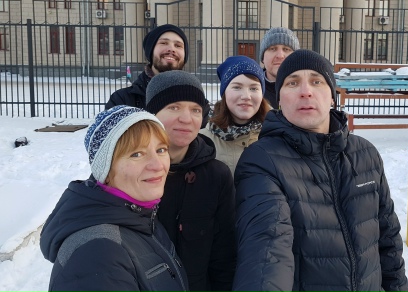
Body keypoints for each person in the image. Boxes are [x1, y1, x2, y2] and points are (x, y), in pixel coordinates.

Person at [233, 50, 408, 292]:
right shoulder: (262, 160)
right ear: (279, 99)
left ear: (332, 97)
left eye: (317, 81)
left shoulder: (365, 154)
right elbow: (266, 250)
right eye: (292, 82)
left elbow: (388, 243)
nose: (306, 91)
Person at [40, 105, 189, 292]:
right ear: (106, 169)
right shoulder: (97, 254)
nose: (158, 165)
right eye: (137, 154)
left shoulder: (139, 216)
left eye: (161, 150)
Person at [146, 70, 236, 292]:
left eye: (195, 109)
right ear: (152, 114)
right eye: (174, 107)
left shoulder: (216, 176)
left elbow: (224, 257)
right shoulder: (131, 173)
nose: (187, 119)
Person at [105, 23, 210, 126]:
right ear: (151, 51)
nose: (171, 49)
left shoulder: (198, 103)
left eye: (178, 45)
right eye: (164, 43)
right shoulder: (122, 101)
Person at [200, 55, 271, 173]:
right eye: (237, 87)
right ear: (225, 93)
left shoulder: (274, 136)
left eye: (253, 88)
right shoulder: (202, 141)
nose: (246, 96)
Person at [259, 27, 300, 108]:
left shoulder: (306, 91)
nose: (280, 56)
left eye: (286, 49)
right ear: (263, 58)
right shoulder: (252, 91)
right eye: (272, 49)